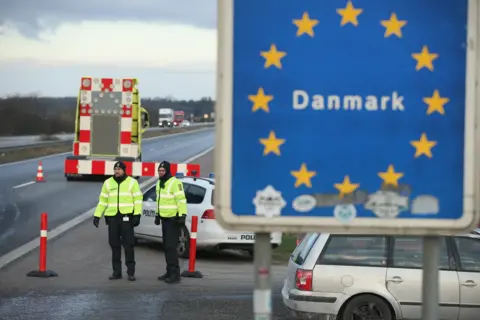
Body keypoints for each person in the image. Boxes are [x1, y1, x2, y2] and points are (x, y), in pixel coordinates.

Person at [92, 161, 142, 281]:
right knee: (114, 245)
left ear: (124, 170)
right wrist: (97, 215)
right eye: (115, 169)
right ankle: (116, 272)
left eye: (119, 169)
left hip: (127, 218)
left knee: (128, 245)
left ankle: (131, 272)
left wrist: (137, 215)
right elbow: (103, 201)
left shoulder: (132, 182)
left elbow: (138, 200)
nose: (117, 171)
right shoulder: (108, 183)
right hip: (113, 218)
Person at [154, 161, 187, 284]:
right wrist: (157, 214)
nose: (161, 173)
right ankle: (169, 271)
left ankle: (175, 274)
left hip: (173, 219)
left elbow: (181, 200)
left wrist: (182, 215)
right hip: (164, 219)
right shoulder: (159, 183)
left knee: (171, 247)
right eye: (159, 171)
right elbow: (159, 201)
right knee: (166, 247)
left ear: (167, 171)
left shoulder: (175, 183)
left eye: (163, 171)